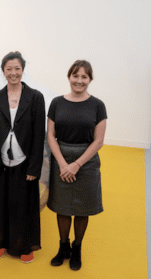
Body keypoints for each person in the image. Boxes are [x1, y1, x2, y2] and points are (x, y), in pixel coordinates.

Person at [0, 51, 45, 263]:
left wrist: (34, 168)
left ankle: (25, 246)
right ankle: (0, 242)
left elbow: (39, 135)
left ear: (22, 70)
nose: (13, 73)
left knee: (23, 205)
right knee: (0, 204)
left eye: (17, 68)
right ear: (3, 71)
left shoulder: (36, 97)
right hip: (1, 162)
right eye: (9, 69)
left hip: (24, 162)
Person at [47, 60, 107, 271]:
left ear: (90, 80)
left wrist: (77, 165)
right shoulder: (56, 103)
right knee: (62, 207)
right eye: (75, 76)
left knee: (82, 208)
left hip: (87, 162)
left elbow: (98, 140)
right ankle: (63, 247)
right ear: (69, 77)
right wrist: (63, 164)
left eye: (84, 77)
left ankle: (77, 247)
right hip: (61, 159)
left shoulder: (98, 105)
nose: (79, 81)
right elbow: (51, 135)